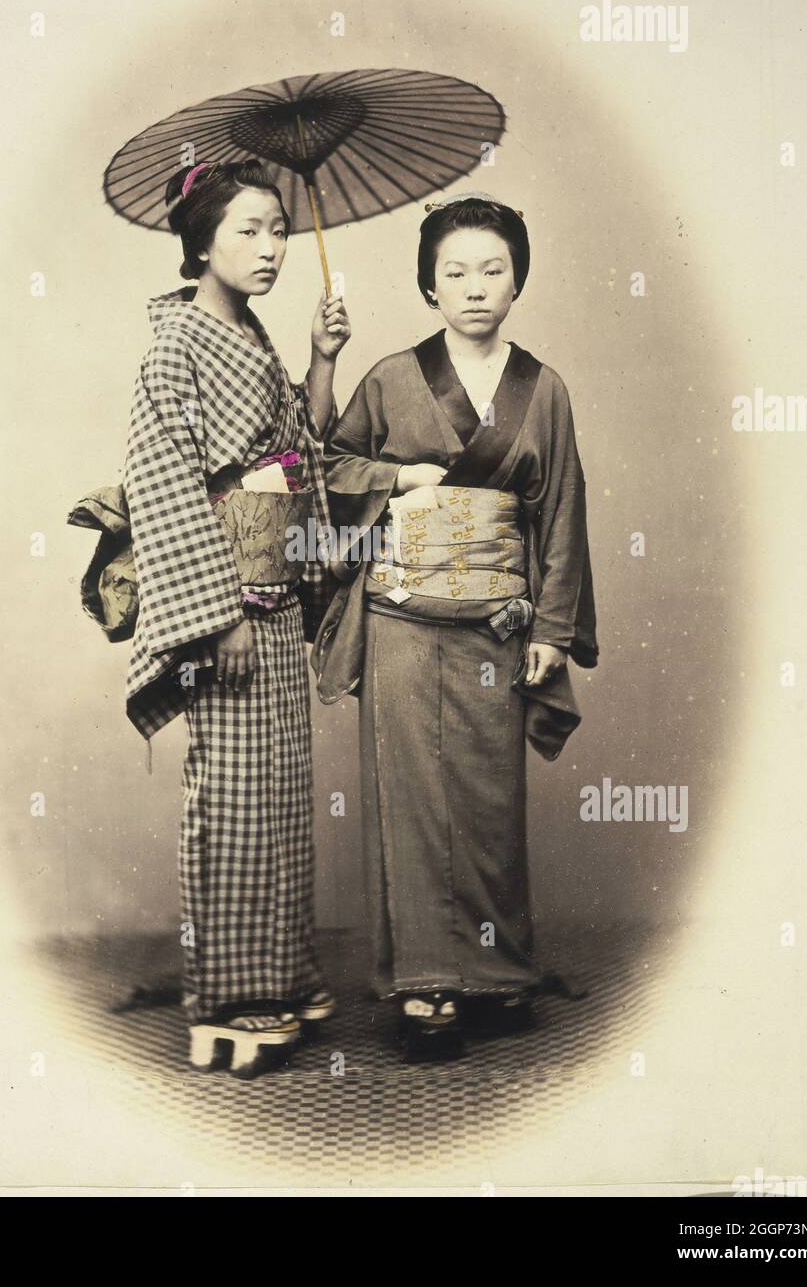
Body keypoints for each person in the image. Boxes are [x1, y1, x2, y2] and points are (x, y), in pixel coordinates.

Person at [311, 190, 597, 1061]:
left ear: (518, 283)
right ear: (430, 288)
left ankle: (499, 973)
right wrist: (397, 476)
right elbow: (322, 463)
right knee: (408, 800)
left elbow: (561, 515)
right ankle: (427, 988)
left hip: (497, 623)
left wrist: (551, 628)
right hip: (401, 619)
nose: (475, 287)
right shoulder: (394, 377)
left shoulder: (541, 390)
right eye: (455, 272)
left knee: (490, 800)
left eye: (493, 270)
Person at [123, 158, 350, 1078]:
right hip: (226, 596)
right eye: (250, 229)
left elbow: (306, 451)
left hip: (277, 586)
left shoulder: (250, 336)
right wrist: (215, 614)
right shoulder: (175, 343)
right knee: (234, 798)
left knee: (281, 794)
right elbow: (165, 481)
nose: (271, 247)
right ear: (202, 239)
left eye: (280, 230)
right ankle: (233, 996)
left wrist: (323, 359)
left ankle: (280, 975)